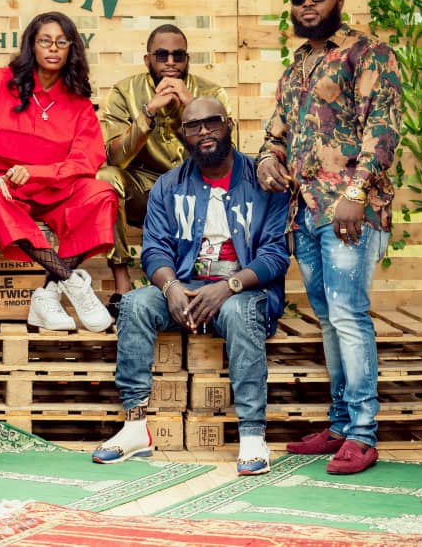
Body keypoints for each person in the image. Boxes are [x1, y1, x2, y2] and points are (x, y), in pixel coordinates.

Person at [92, 98, 289, 475]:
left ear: (228, 124)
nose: (203, 132)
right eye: (193, 127)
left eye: (212, 123)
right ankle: (135, 428)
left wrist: (229, 285)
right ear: (182, 135)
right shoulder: (169, 186)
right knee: (135, 303)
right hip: (186, 289)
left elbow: (275, 255)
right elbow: (154, 250)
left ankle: (252, 434)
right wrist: (171, 288)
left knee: (240, 310)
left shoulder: (262, 180)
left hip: (241, 294)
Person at [258, 0, 402, 475]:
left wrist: (356, 192)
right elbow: (275, 135)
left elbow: (382, 131)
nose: (306, 4)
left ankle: (362, 434)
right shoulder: (296, 67)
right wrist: (267, 160)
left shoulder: (369, 53)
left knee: (347, 315)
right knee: (328, 318)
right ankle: (340, 425)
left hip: (349, 213)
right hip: (305, 213)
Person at [0, 11, 117, 333]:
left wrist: (38, 173)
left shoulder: (79, 104)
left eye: (61, 42)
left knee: (102, 194)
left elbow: (86, 159)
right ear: (32, 45)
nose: (53, 48)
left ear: (71, 49)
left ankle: (48, 293)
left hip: (54, 191)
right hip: (4, 190)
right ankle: (75, 284)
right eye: (45, 41)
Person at [99, 25, 231, 317]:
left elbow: (224, 157)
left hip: (197, 189)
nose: (170, 62)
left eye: (178, 55)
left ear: (187, 59)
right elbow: (115, 157)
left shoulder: (211, 93)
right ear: (148, 60)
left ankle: (202, 286)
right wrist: (148, 113)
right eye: (162, 55)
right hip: (145, 191)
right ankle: (122, 286)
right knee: (105, 179)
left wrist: (191, 108)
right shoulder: (124, 91)